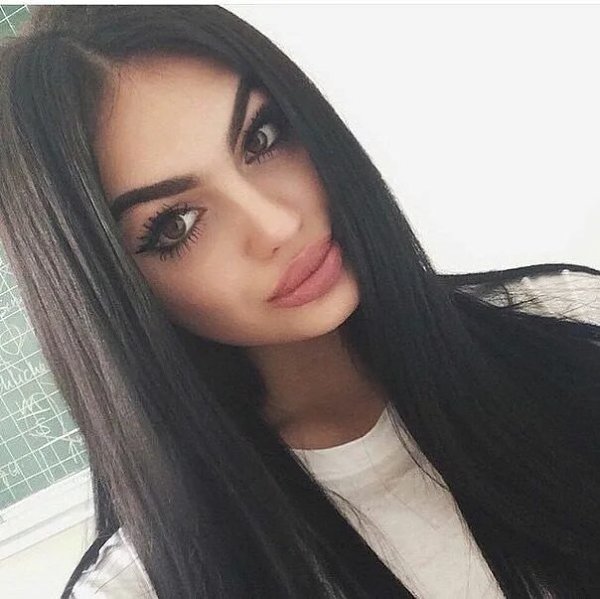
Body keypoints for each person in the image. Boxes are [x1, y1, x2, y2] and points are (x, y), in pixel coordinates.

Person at [0, 5, 599, 598]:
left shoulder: (572, 324)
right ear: (110, 292)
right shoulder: (139, 589)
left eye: (261, 138)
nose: (277, 224)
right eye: (175, 223)